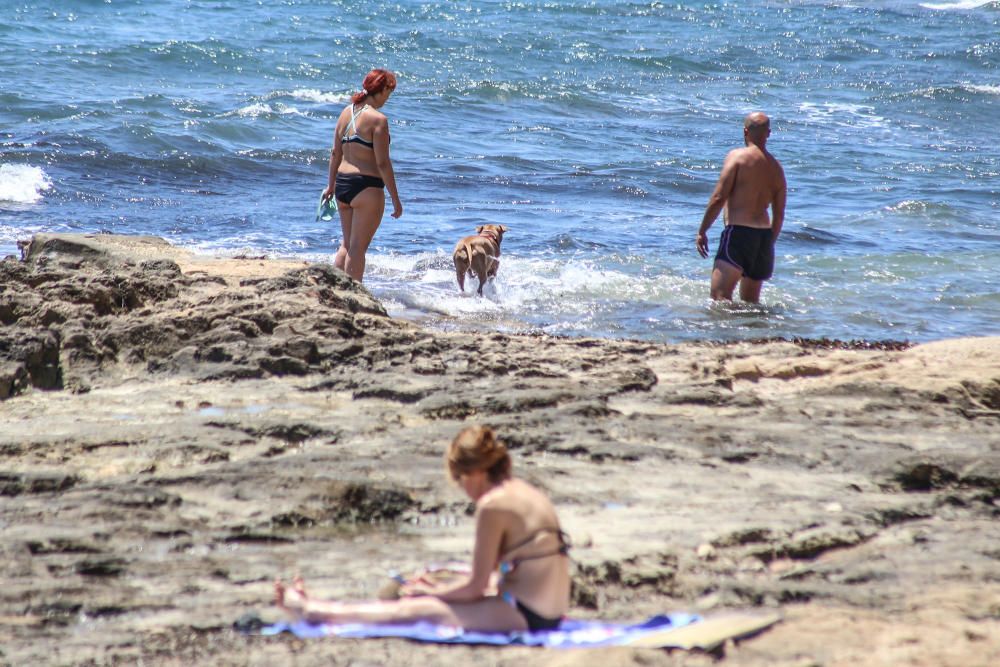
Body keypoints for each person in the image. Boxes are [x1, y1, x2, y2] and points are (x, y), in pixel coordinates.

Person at [274, 426, 572, 633]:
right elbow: (505, 573)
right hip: (549, 611)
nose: (461, 487)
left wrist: (434, 595)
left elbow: (477, 587)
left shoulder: (492, 505)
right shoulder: (527, 492)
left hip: (527, 617)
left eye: (459, 478)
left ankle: (316, 612)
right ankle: (319, 608)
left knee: (421, 610)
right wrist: (445, 584)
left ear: (476, 472)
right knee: (442, 582)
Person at [322, 68, 403, 282]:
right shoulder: (378, 120)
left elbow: (335, 153)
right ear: (382, 89)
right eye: (389, 92)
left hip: (342, 185)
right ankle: (355, 295)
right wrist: (395, 198)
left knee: (346, 245)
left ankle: (335, 291)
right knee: (357, 248)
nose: (388, 98)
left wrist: (330, 186)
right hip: (367, 186)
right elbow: (383, 163)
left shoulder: (345, 113)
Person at [696, 111, 787, 303]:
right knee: (750, 304)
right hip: (763, 238)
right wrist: (768, 244)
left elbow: (719, 197)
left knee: (719, 298)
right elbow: (779, 216)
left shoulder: (737, 157)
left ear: (745, 131)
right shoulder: (777, 169)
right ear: (768, 133)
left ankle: (724, 333)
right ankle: (753, 333)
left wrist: (702, 230)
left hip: (739, 233)